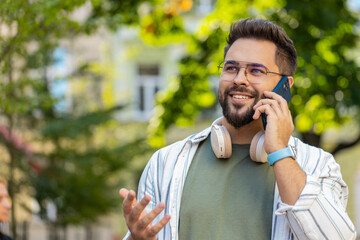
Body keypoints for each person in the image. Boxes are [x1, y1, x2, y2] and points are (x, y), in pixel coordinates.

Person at [119, 18, 357, 240]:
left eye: (256, 70)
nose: (239, 79)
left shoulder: (318, 165)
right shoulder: (165, 163)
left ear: (285, 86)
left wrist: (280, 152)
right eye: (231, 68)